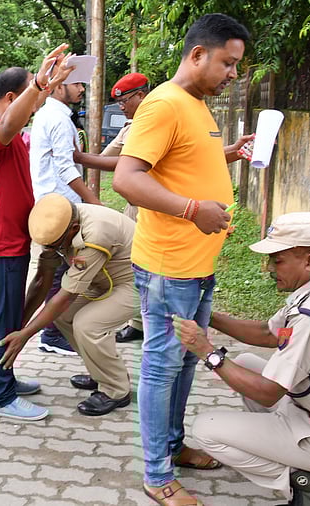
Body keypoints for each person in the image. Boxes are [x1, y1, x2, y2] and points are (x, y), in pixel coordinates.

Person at [111, 13, 252, 506]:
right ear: (197, 55)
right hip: (170, 267)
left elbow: (183, 164)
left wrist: (229, 156)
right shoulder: (163, 104)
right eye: (228, 63)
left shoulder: (195, 104)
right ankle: (156, 475)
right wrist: (193, 210)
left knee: (185, 365)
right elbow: (127, 179)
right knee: (161, 366)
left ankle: (172, 446)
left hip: (198, 265)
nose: (233, 73)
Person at [174, 212, 310, 506]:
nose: (270, 268)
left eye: (278, 260)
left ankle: (305, 485)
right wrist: (209, 317)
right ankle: (282, 444)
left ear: (309, 261)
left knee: (206, 429)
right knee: (246, 362)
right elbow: (267, 334)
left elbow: (268, 393)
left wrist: (207, 351)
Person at [0, 45, 74, 421]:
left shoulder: (18, 139)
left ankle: (7, 378)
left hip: (14, 244)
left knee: (12, 316)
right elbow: (5, 126)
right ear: (12, 97)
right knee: (0, 321)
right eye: (32, 91)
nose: (39, 99)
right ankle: (0, 396)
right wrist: (40, 83)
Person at [0, 193, 136, 417]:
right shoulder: (58, 225)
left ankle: (116, 390)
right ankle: (101, 374)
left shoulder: (95, 235)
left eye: (55, 246)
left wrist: (25, 335)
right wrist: (20, 323)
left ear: (73, 229)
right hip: (103, 278)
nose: (52, 249)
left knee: (88, 324)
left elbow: (65, 297)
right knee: (63, 317)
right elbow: (43, 279)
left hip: (137, 282)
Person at [28, 67, 100, 357]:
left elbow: (74, 159)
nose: (82, 89)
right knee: (61, 273)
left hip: (59, 204)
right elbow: (65, 166)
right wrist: (92, 201)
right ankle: (52, 334)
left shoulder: (57, 116)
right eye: (77, 84)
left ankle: (55, 331)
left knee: (62, 270)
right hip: (60, 207)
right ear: (59, 88)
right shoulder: (56, 118)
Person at [96, 72, 151, 344]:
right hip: (134, 208)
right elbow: (106, 158)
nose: (122, 107)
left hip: (153, 208)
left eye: (125, 101)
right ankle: (138, 322)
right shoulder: (132, 126)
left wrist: (80, 157)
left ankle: (148, 321)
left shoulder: (153, 124)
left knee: (148, 267)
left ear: (141, 95)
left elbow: (122, 164)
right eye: (119, 103)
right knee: (134, 264)